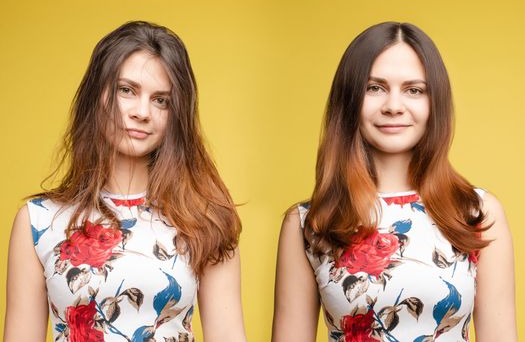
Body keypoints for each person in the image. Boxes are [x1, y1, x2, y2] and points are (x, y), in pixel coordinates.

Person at [272, 22, 517, 342]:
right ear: (349, 100)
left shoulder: (478, 213)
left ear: (434, 104)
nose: (393, 106)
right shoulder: (309, 223)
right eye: (375, 87)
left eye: (414, 90)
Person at [4, 21, 246, 342]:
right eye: (127, 90)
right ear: (97, 96)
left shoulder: (206, 219)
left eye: (161, 100)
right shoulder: (38, 221)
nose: (142, 111)